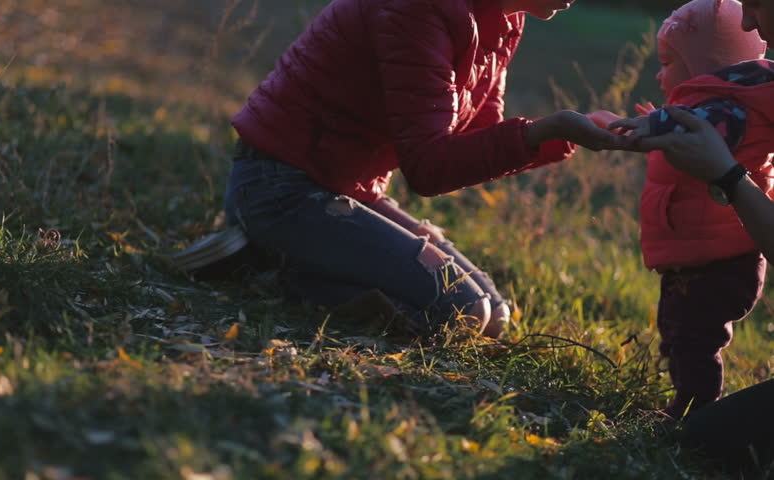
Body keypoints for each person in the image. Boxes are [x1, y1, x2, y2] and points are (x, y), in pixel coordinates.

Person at [224, 0, 626, 336]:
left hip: (345, 190)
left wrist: (562, 135)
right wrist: (545, 130)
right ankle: (268, 269)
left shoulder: (504, 18)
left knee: (493, 317)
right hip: (281, 186)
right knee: (460, 314)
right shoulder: (418, 8)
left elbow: (478, 135)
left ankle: (283, 255)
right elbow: (429, 168)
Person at [607, 0, 774, 469]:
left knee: (696, 341)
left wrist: (647, 127)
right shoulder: (730, 98)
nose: (749, 21)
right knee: (683, 332)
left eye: (759, 3)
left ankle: (692, 405)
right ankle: (690, 402)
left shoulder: (725, 106)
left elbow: (709, 127)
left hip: (718, 257)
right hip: (700, 253)